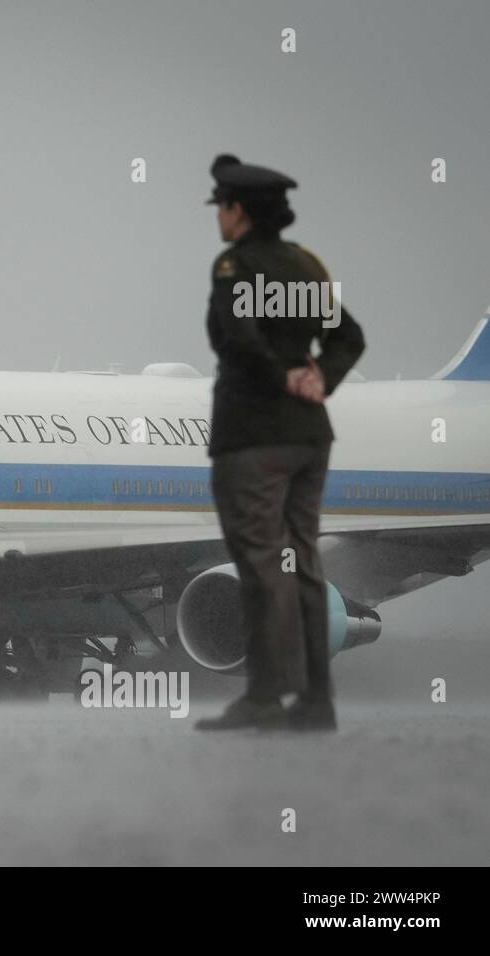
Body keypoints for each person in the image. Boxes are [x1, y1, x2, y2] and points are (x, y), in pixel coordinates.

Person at [194, 154, 366, 733]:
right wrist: (318, 377)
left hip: (254, 436)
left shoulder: (234, 267)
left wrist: (278, 377)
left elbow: (235, 341)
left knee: (260, 567)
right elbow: (350, 338)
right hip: (309, 437)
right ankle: (316, 701)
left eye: (222, 206)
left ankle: (264, 698)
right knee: (303, 564)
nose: (219, 216)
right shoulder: (305, 266)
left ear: (239, 211)